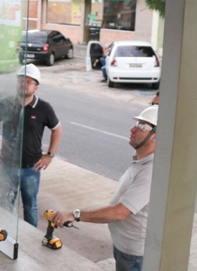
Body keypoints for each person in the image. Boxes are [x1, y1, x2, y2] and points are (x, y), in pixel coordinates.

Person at [52, 106, 159, 271]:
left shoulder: (151, 171)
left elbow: (120, 212)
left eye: (142, 126)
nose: (133, 128)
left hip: (134, 255)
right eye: (137, 123)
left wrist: (74, 215)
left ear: (157, 137)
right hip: (124, 248)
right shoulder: (142, 162)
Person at [0, 64, 63, 227]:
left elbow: (57, 130)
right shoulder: (5, 104)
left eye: (29, 82)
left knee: (30, 207)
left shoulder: (44, 108)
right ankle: (4, 236)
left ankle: (31, 242)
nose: (24, 84)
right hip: (7, 165)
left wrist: (49, 155)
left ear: (36, 87)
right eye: (21, 80)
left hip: (31, 168)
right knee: (5, 204)